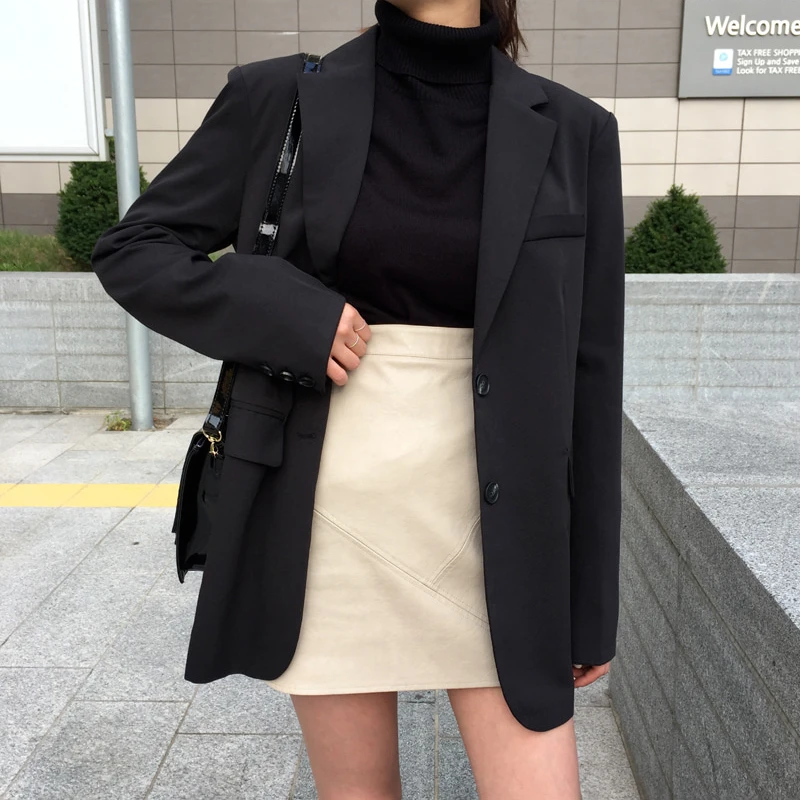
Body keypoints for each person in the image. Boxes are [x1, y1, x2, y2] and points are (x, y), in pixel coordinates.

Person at [92, 1, 625, 797]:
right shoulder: (280, 98)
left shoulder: (575, 131)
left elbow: (592, 375)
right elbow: (135, 249)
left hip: (505, 535)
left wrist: (591, 602)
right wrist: (285, 313)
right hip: (328, 518)